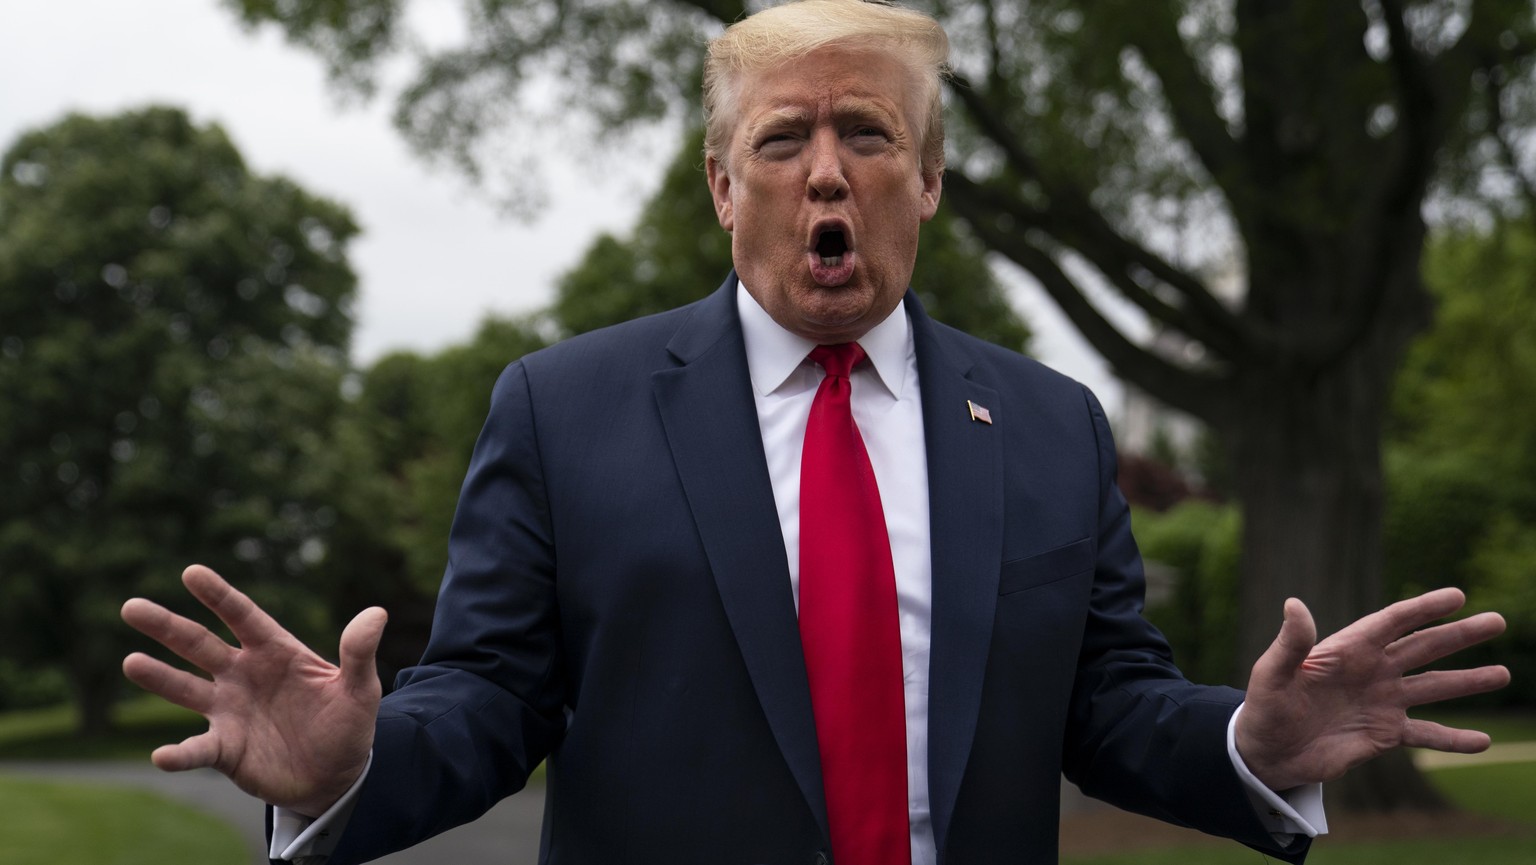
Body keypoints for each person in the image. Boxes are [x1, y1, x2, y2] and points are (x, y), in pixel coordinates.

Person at [120, 2, 1511, 864]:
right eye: (785, 141)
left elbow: (1105, 705)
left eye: (869, 134)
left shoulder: (1050, 426)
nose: (829, 172)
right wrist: (349, 768)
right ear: (724, 186)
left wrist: (1248, 749)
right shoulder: (564, 408)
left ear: (933, 179)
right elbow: (489, 697)